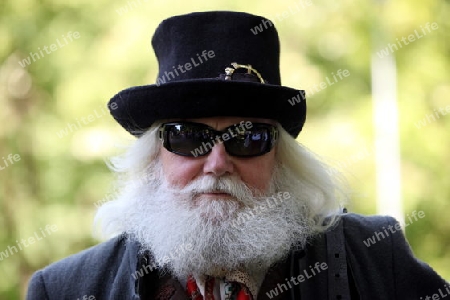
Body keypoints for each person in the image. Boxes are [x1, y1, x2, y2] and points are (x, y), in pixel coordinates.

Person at [26, 11, 447, 300]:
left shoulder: (374, 259)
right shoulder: (64, 288)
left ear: (280, 159)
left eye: (248, 139)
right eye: (188, 137)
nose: (217, 163)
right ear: (154, 156)